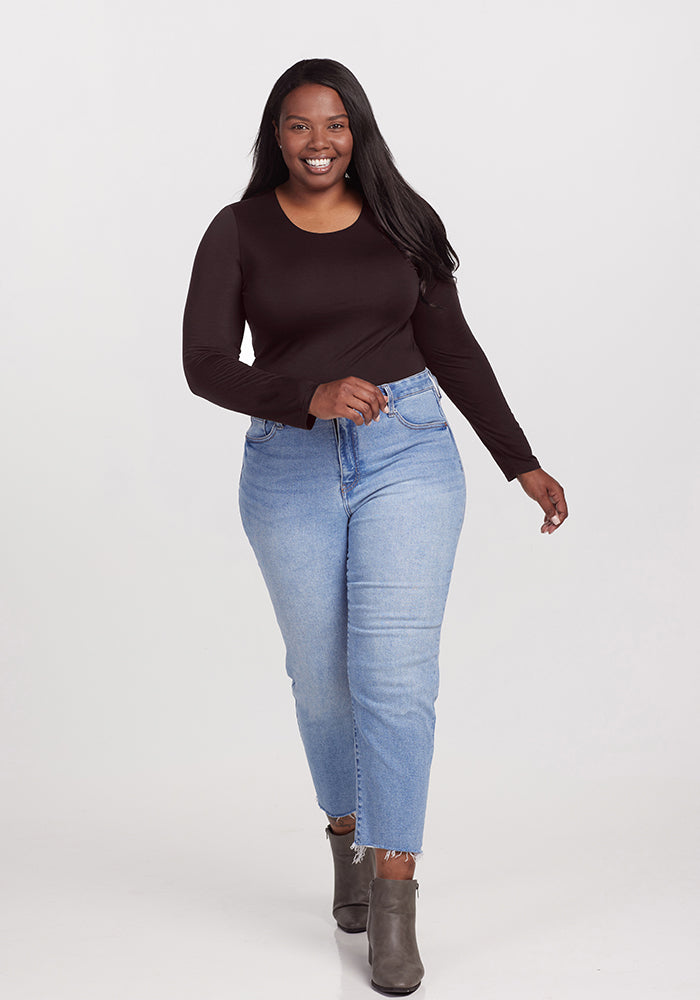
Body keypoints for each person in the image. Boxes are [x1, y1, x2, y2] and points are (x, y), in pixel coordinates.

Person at [182, 57, 568, 997]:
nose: (319, 143)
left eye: (336, 126)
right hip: (290, 465)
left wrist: (520, 460)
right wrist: (305, 395)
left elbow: (453, 347)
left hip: (410, 454)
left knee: (396, 679)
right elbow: (202, 364)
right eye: (300, 127)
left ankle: (394, 891)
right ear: (275, 135)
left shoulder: (406, 221)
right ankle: (346, 839)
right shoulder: (238, 232)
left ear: (359, 130)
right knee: (323, 682)